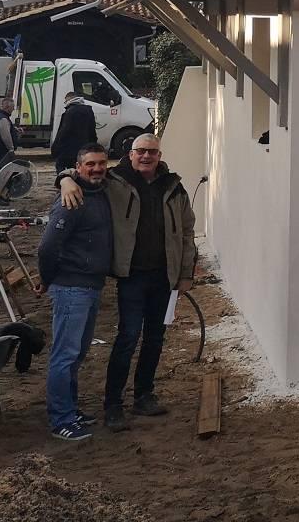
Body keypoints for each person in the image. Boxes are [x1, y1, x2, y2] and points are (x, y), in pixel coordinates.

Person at [60, 133, 197, 432]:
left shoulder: (174, 187)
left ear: (159, 155)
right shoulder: (114, 181)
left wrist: (185, 273)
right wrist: (64, 180)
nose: (146, 156)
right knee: (128, 338)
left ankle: (144, 395)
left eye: (152, 152)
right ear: (131, 154)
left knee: (155, 338)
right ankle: (113, 405)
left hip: (164, 276)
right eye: (141, 151)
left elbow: (187, 232)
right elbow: (82, 175)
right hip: (132, 276)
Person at [37, 143, 112, 441]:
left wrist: (64, 177)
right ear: (79, 167)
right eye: (90, 164)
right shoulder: (71, 201)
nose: (96, 169)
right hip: (72, 288)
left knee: (77, 353)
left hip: (91, 286)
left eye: (101, 163)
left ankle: (69, 408)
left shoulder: (101, 191)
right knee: (65, 354)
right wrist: (48, 278)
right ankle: (61, 420)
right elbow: (46, 247)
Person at [51, 91, 98, 173]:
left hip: (68, 148)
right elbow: (92, 130)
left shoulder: (69, 112)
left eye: (65, 101)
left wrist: (55, 147)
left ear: (69, 99)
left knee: (60, 165)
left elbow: (63, 132)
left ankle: (63, 181)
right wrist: (93, 145)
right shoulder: (89, 111)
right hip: (83, 148)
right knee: (78, 167)